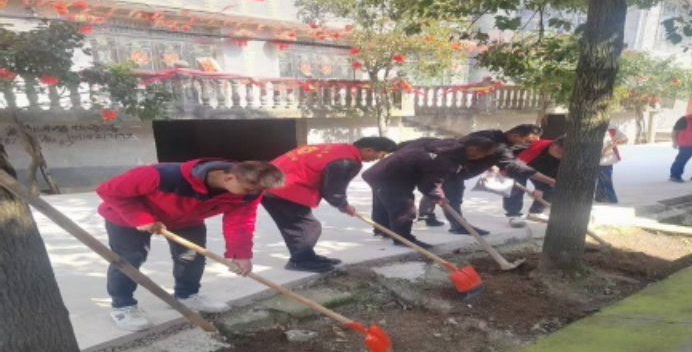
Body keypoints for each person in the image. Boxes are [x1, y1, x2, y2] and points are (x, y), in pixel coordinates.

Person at [96, 159, 285, 331]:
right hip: (126, 217)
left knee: (192, 257)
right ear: (229, 178)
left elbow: (241, 222)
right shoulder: (161, 175)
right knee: (129, 260)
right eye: (249, 190)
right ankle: (123, 307)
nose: (254, 194)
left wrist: (241, 254)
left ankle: (186, 295)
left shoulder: (250, 192)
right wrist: (140, 218)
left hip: (187, 220)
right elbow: (107, 190)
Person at [263, 137, 398, 273]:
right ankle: (300, 261)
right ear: (368, 150)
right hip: (281, 187)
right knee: (306, 227)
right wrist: (343, 205)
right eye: (382, 154)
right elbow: (333, 189)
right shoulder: (345, 161)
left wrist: (341, 203)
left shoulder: (340, 149)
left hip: (272, 181)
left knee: (298, 225)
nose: (380, 158)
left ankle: (307, 257)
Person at [363, 137, 498, 249]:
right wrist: (439, 196)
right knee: (403, 208)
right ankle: (403, 239)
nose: (482, 158)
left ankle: (383, 231)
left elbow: (405, 145)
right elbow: (428, 185)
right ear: (473, 150)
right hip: (392, 177)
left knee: (383, 202)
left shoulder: (442, 143)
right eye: (484, 155)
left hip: (381, 171)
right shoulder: (448, 161)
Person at [413, 124, 544, 235]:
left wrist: (491, 164)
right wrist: (549, 180)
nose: (528, 145)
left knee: (436, 188)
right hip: (454, 169)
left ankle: (426, 215)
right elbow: (513, 164)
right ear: (515, 136)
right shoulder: (495, 142)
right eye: (528, 141)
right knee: (453, 196)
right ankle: (458, 226)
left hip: (455, 169)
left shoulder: (495, 137)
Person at [503, 136, 566, 217]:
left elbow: (554, 176)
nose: (562, 156)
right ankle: (513, 213)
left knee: (550, 189)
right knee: (516, 187)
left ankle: (536, 212)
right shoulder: (531, 146)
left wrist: (541, 188)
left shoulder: (566, 158)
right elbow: (515, 166)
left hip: (541, 173)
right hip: (520, 168)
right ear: (554, 145)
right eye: (560, 152)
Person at [596, 125, 628, 203]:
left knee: (606, 179)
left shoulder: (611, 129)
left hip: (606, 160)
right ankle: (600, 197)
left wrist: (615, 142)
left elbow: (624, 139)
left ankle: (611, 198)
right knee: (600, 180)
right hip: (596, 158)